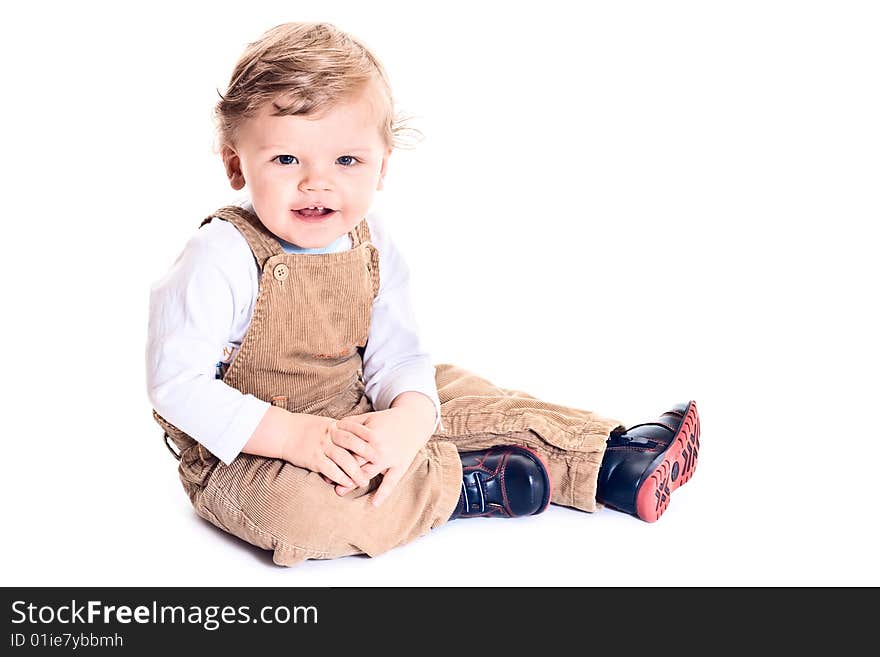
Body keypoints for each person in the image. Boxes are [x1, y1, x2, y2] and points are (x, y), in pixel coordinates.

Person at [146, 21, 701, 567]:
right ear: (235, 162)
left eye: (347, 161)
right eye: (287, 159)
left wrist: (409, 417)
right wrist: (296, 437)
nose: (318, 182)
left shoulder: (372, 240)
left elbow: (399, 353)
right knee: (294, 513)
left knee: (455, 390)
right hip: (253, 449)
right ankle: (466, 484)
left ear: (382, 166)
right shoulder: (220, 254)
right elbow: (176, 383)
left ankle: (614, 461)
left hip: (356, 399)